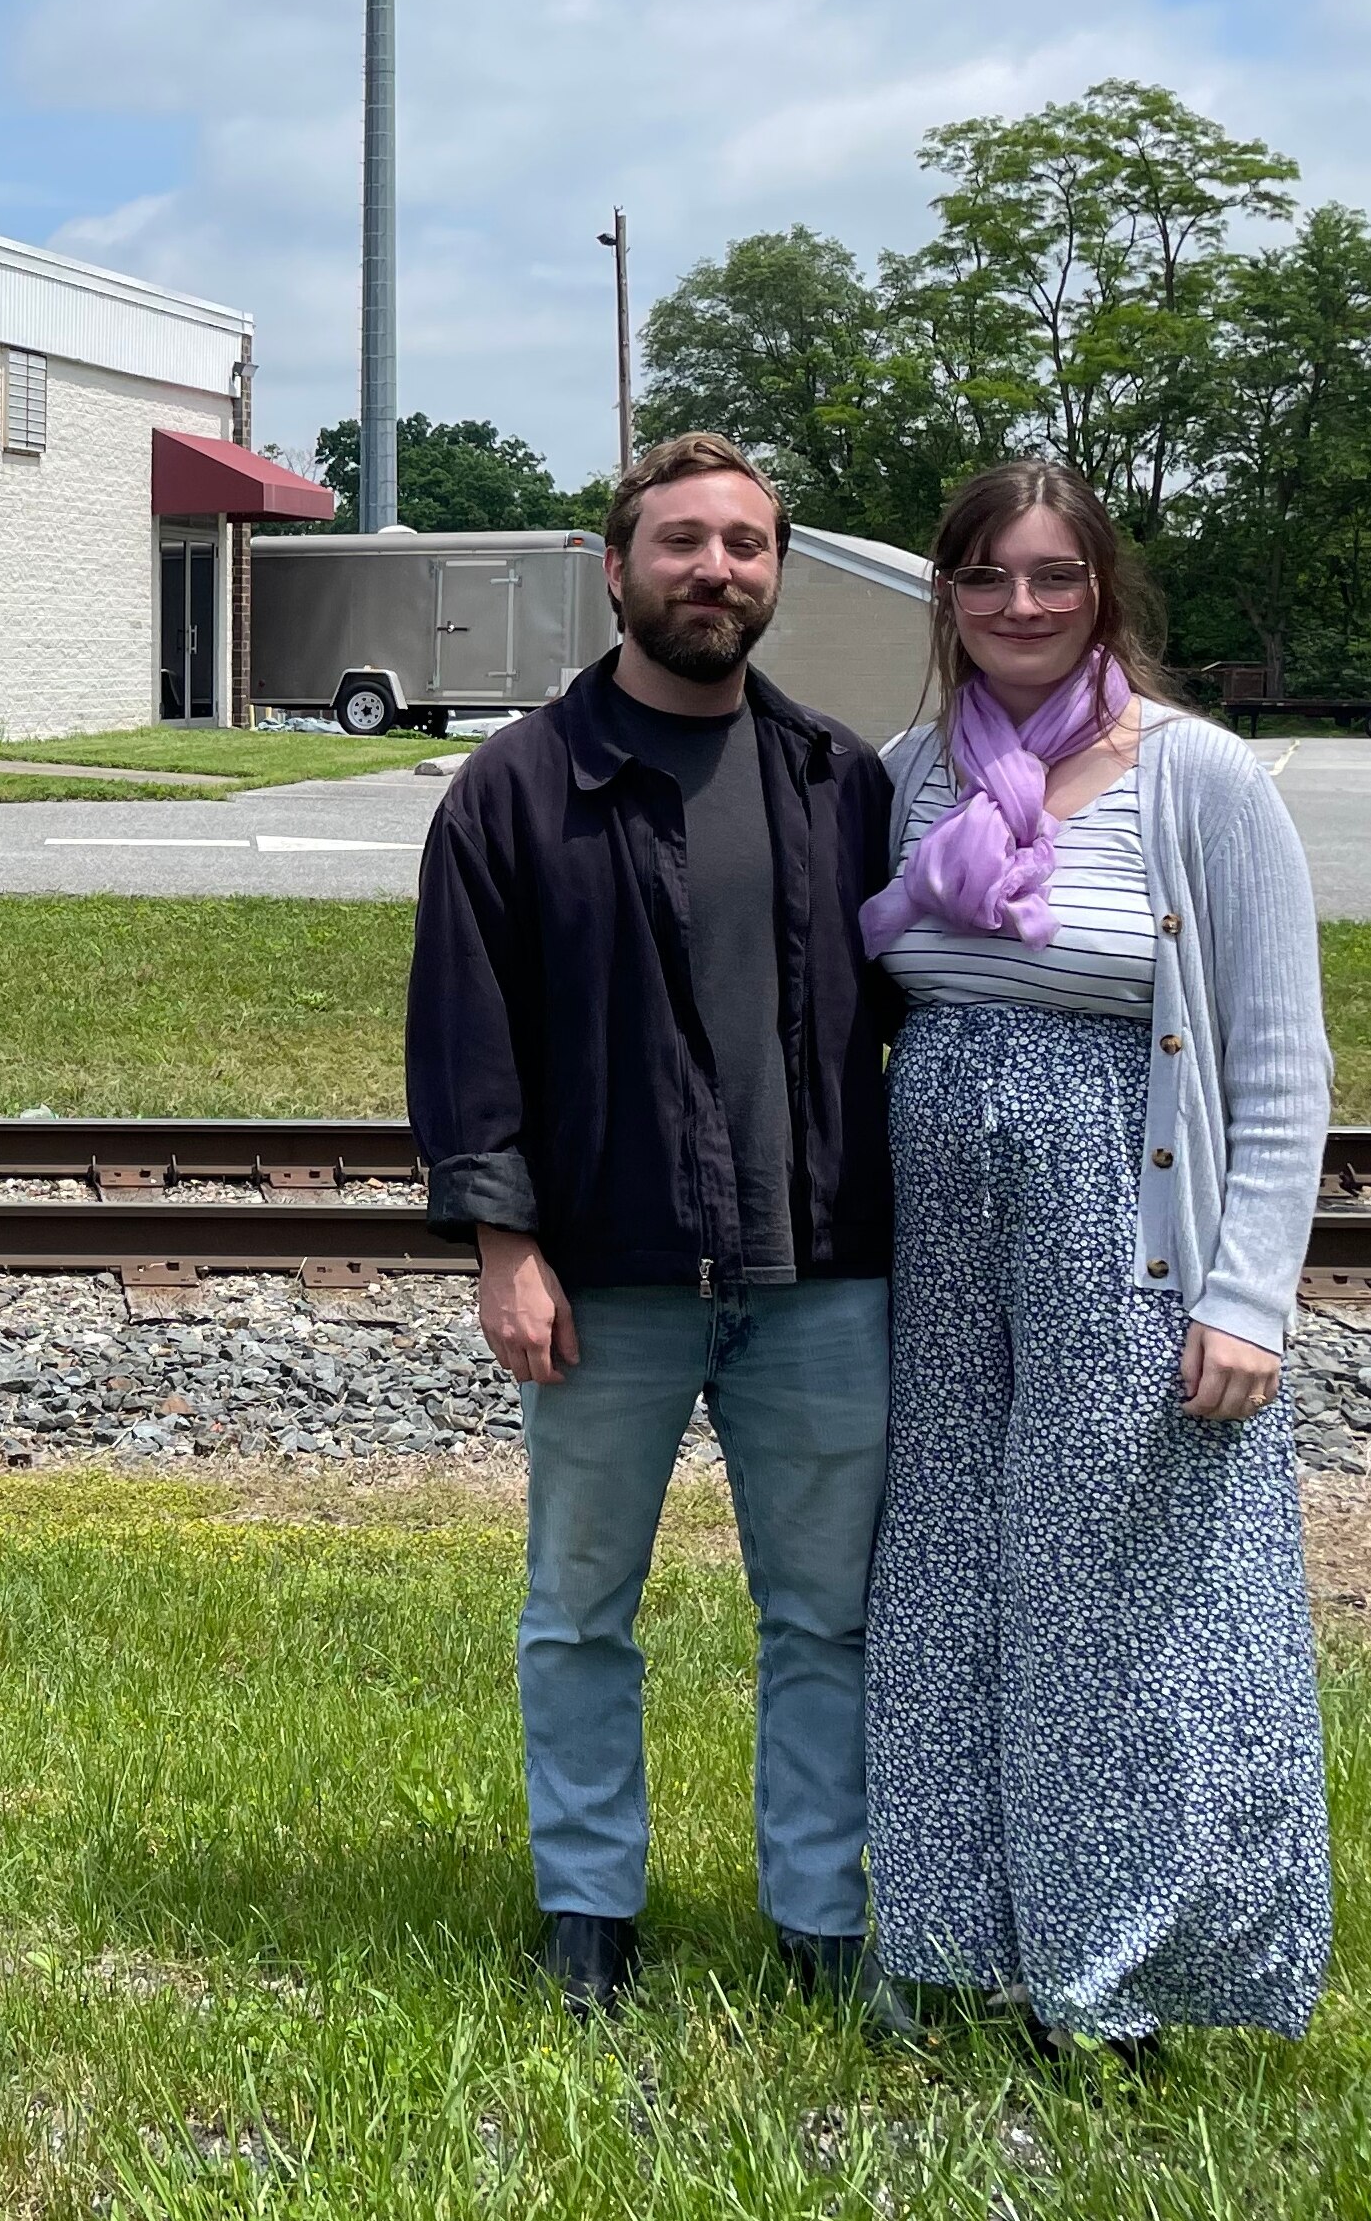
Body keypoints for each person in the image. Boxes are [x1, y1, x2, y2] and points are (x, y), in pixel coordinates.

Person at [408, 433, 905, 2019]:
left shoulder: (842, 780)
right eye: (682, 541)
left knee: (825, 1617)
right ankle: (588, 1909)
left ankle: (823, 1919)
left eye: (747, 545)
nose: (716, 569)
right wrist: (504, 1243)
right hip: (609, 1274)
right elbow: (466, 1039)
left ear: (777, 571)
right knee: (578, 1611)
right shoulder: (517, 789)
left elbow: (910, 1016)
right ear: (613, 568)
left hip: (819, 1275)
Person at [859, 457, 1334, 2047]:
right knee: (943, 1581)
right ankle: (951, 1941)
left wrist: (1247, 1291)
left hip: (1124, 1240)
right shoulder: (916, 770)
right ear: (948, 592)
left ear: (1104, 590)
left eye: (1054, 574)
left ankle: (1126, 1973)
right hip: (941, 1255)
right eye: (988, 575)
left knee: (1121, 1604)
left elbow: (1275, 1059)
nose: (1021, 604)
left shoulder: (1200, 780)